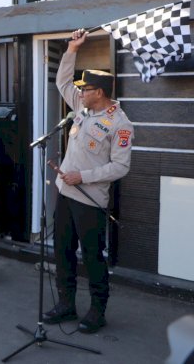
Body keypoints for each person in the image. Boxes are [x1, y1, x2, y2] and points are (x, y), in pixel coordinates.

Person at [42, 28, 134, 334]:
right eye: (81, 90)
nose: (80, 93)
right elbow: (62, 81)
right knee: (62, 251)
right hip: (66, 195)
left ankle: (97, 310)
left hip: (90, 201)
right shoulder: (81, 110)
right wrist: (71, 49)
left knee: (92, 257)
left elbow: (120, 167)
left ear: (100, 92)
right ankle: (67, 304)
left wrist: (83, 176)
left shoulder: (120, 124)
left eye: (86, 89)